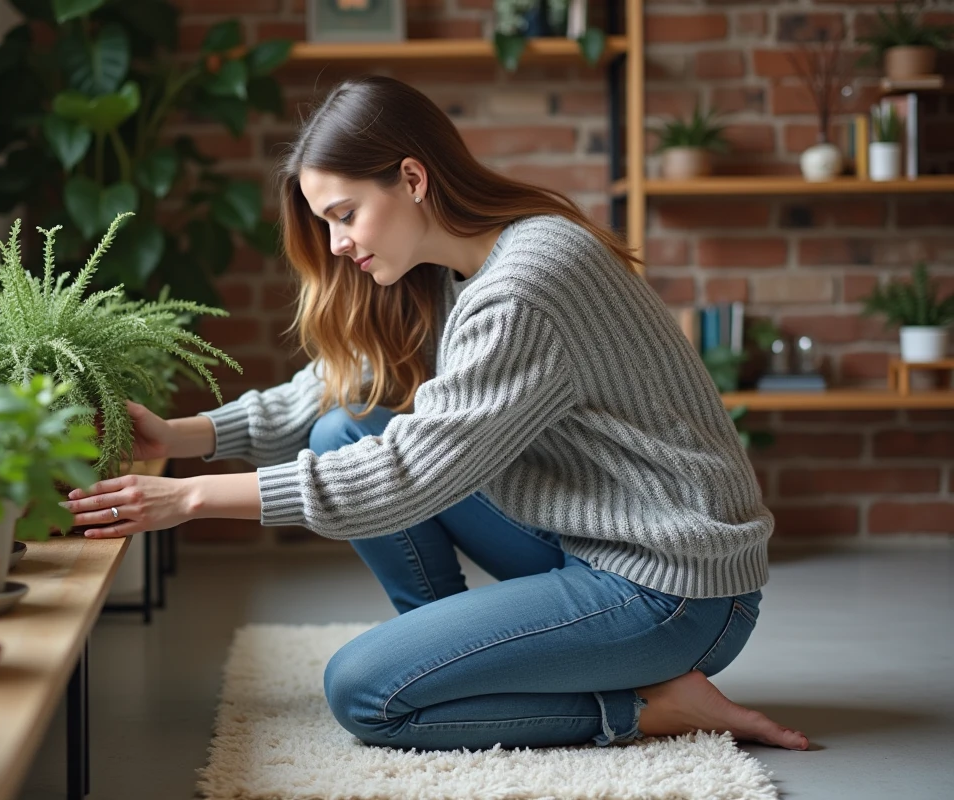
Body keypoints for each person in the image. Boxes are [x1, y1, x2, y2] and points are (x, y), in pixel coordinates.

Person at [61, 76, 809, 753]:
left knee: (365, 692)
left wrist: (188, 497)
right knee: (345, 426)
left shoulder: (526, 283)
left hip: (672, 588)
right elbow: (345, 384)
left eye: (345, 214)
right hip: (591, 534)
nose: (338, 243)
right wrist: (185, 437)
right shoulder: (454, 269)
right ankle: (458, 660)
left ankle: (640, 708)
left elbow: (409, 474)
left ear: (412, 178)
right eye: (326, 222)